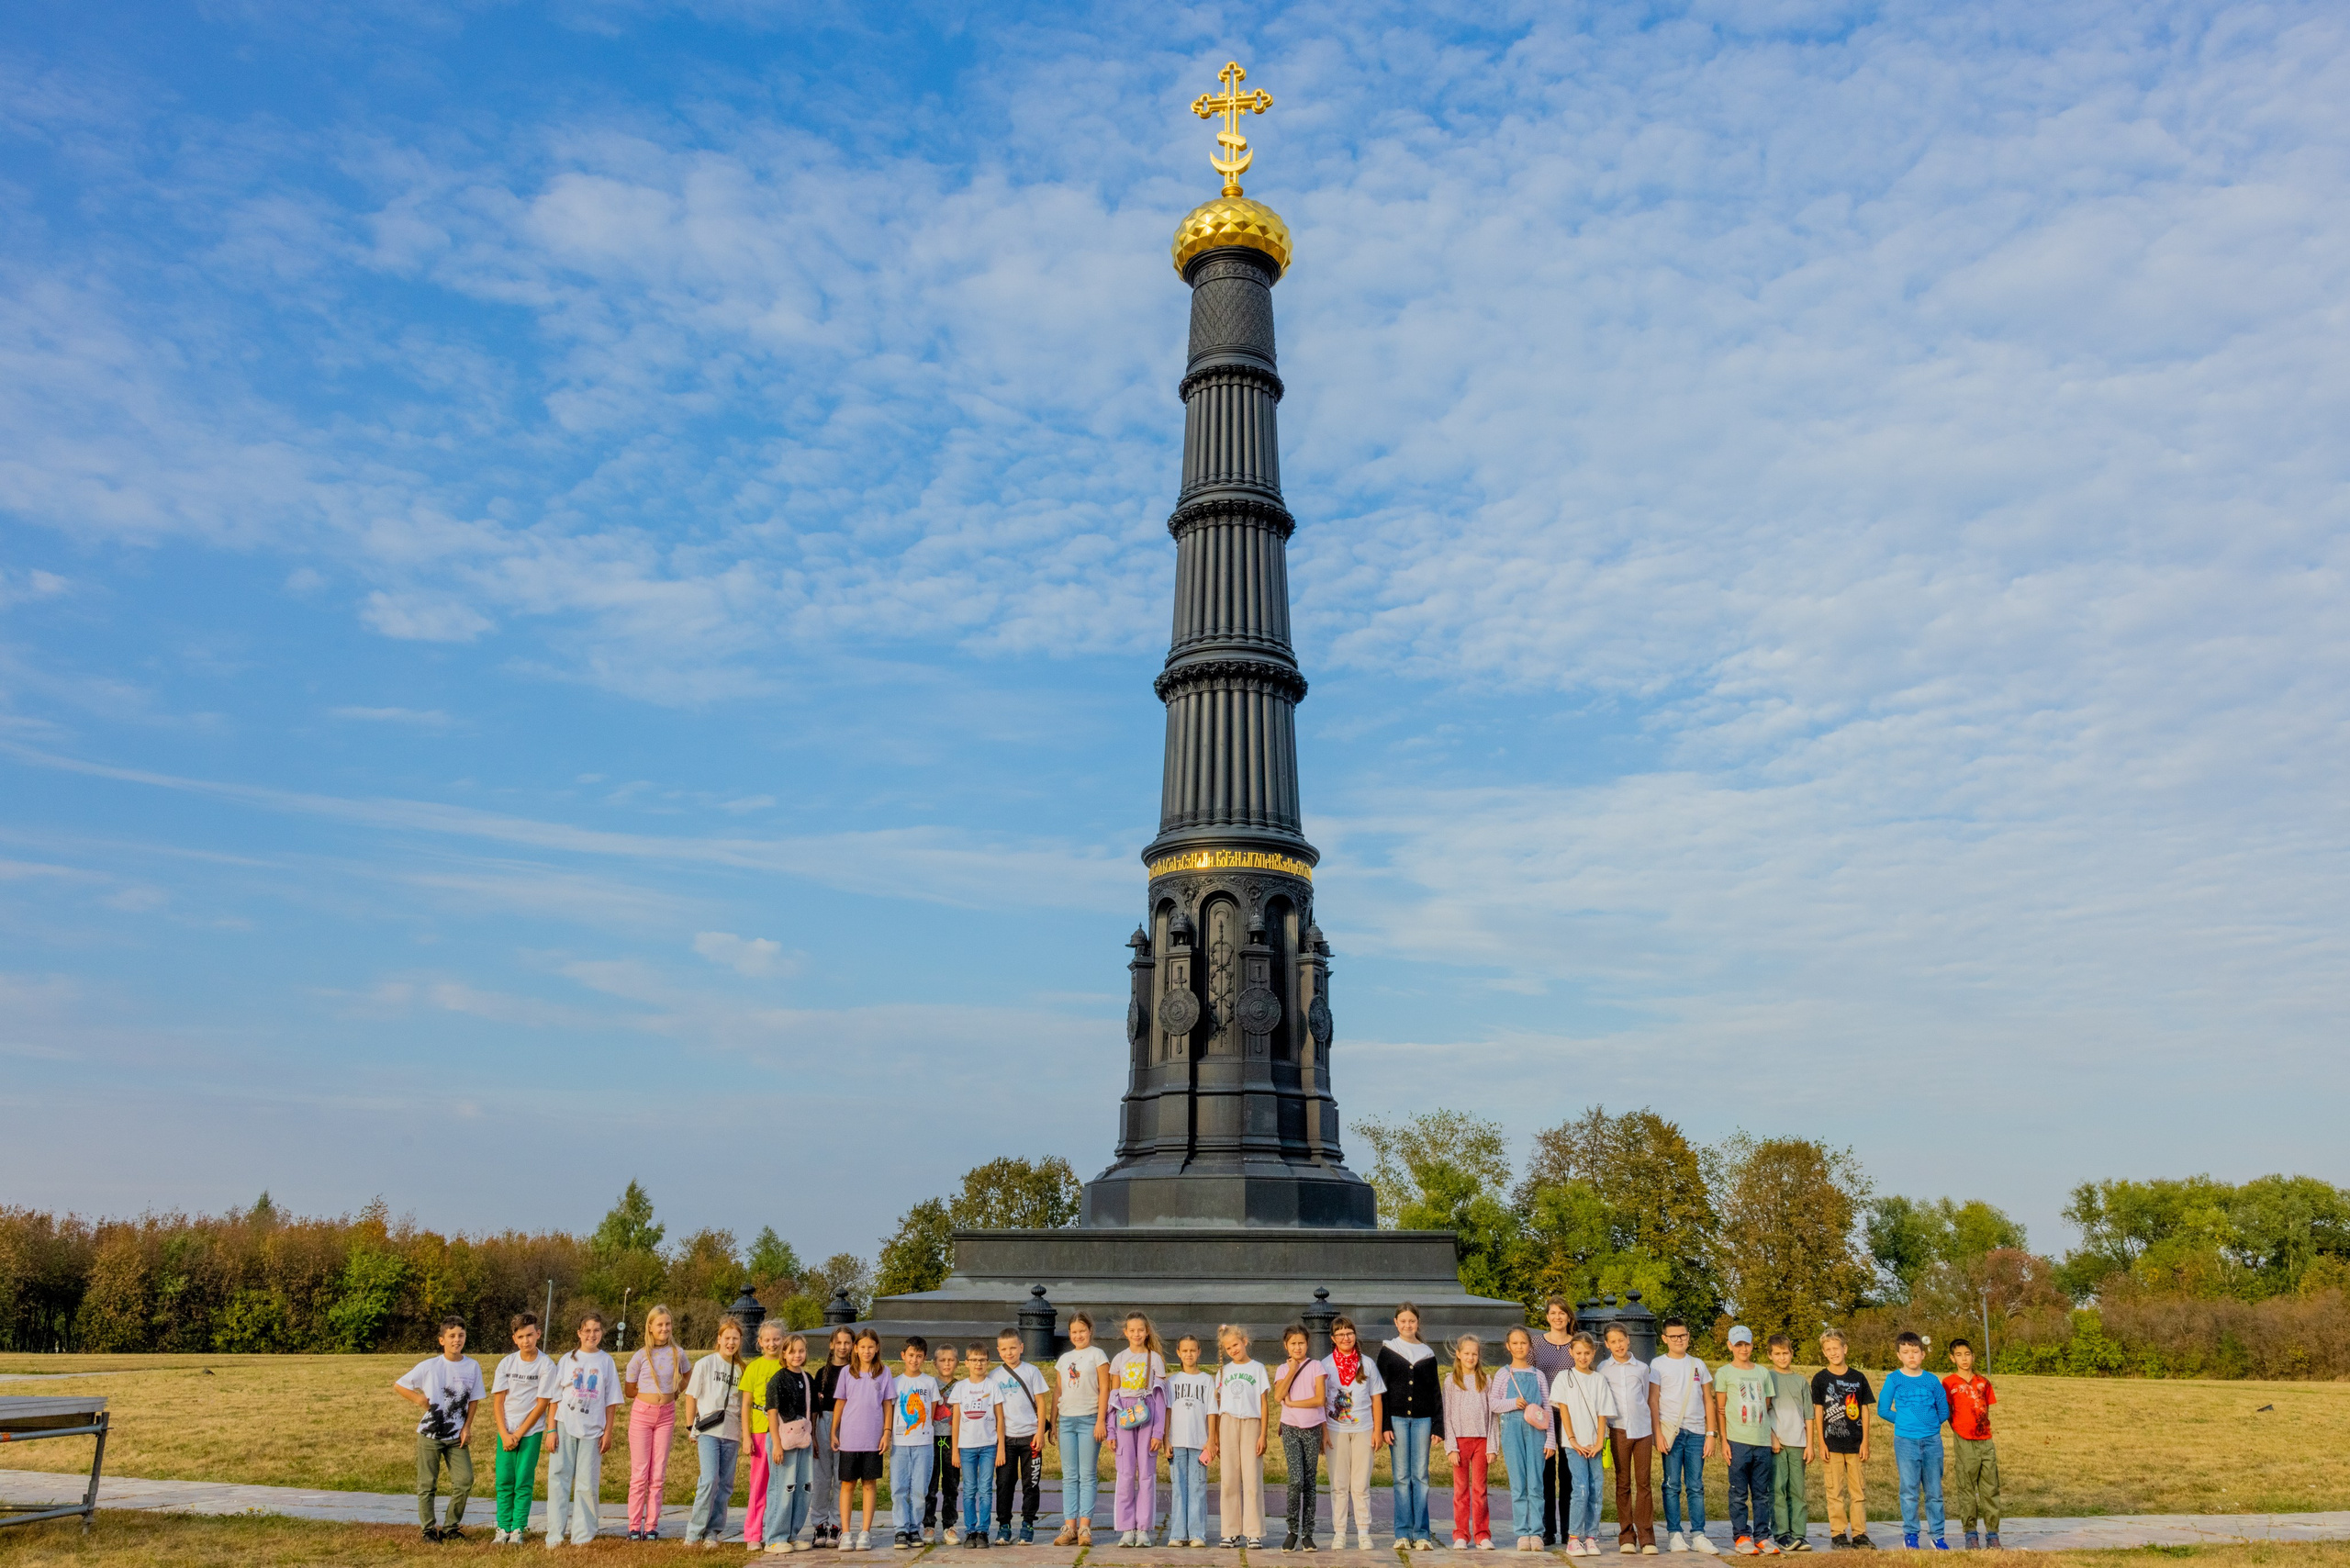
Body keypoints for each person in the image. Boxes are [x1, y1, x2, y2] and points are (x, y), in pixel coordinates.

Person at [395, 1316, 485, 1543]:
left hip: (456, 1436)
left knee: (464, 1481)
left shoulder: (472, 1366)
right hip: (430, 1435)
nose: (457, 1340)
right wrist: (418, 1400)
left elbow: (473, 1399)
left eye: (461, 1335)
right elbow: (400, 1385)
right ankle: (428, 1531)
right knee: (427, 1484)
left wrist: (467, 1427)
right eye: (452, 1336)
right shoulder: (429, 1366)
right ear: (442, 1340)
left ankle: (451, 1527)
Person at [547, 1312, 624, 1548]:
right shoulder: (567, 1360)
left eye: (596, 1330)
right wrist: (551, 1429)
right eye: (587, 1330)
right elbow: (554, 1397)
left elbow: (611, 1401)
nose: (592, 1334)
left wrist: (608, 1431)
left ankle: (582, 1535)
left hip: (593, 1429)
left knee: (587, 1484)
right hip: (565, 1425)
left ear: (602, 1333)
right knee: (559, 1478)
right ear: (579, 1333)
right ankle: (555, 1535)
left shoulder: (606, 1361)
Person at [1874, 1332, 1952, 1551]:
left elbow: (1943, 1409)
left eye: (1915, 1352)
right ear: (1899, 1355)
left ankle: (1938, 1536)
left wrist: (1931, 1424)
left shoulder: (1932, 1380)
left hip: (1932, 1441)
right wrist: (1904, 1421)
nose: (1911, 1356)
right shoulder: (1894, 1379)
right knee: (1909, 1490)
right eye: (1906, 1352)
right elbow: (1882, 1409)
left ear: (1923, 1354)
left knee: (1934, 1491)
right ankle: (1911, 1535)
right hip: (1905, 1441)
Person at [1648, 1316, 1718, 1556]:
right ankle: (1674, 1534)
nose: (1679, 1340)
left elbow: (1709, 1399)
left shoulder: (1698, 1364)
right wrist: (1657, 1434)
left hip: (1697, 1432)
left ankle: (1699, 1534)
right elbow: (1653, 1400)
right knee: (1672, 1484)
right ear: (1665, 1338)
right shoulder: (1657, 1365)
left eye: (1683, 1335)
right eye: (1674, 1336)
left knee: (1696, 1485)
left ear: (1688, 1336)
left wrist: (1711, 1434)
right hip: (1671, 1432)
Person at [1377, 1304, 1444, 1552]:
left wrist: (1438, 1425)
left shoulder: (1427, 1353)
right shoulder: (1388, 1350)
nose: (1408, 1325)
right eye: (1403, 1321)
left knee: (1421, 1477)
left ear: (1418, 1322)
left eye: (1412, 1321)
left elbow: (1435, 1392)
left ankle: (1422, 1533)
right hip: (1396, 1421)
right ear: (1396, 1322)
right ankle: (1403, 1532)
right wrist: (1384, 1425)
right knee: (1402, 1478)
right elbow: (1381, 1391)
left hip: (1423, 1421)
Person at [490, 1312, 556, 1546]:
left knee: (523, 1481)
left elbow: (542, 1403)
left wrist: (519, 1433)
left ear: (538, 1334)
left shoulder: (546, 1365)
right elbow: (498, 1401)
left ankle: (518, 1528)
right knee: (505, 1480)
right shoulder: (506, 1363)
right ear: (514, 1339)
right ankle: (502, 1528)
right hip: (505, 1432)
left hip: (530, 1432)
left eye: (530, 1335)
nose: (526, 1340)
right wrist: (504, 1433)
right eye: (521, 1336)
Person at [1711, 1327, 1778, 1556]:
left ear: (1752, 1345)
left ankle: (1762, 1536)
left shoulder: (1762, 1373)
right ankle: (1741, 1535)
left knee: (1762, 1492)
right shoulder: (1724, 1373)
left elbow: (1766, 1404)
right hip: (1737, 1441)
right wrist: (1724, 1441)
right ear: (1730, 1346)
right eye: (1738, 1345)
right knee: (1739, 1492)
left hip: (1761, 1441)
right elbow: (1720, 1409)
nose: (1743, 1349)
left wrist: (1769, 1435)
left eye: (1747, 1344)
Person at [1323, 1316, 1388, 1551]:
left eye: (1349, 1333)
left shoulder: (1367, 1364)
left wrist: (1377, 1431)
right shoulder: (1326, 1364)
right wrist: (1323, 1433)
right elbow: (1321, 1400)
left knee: (1360, 1484)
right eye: (1340, 1334)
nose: (1345, 1338)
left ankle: (1363, 1531)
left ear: (1355, 1335)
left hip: (1363, 1429)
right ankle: (1339, 1532)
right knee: (1339, 1483)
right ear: (1333, 1339)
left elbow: (1376, 1398)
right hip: (1335, 1430)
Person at [680, 1316, 746, 1547]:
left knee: (726, 1485)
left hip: (732, 1433)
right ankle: (694, 1531)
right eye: (727, 1338)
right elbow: (692, 1396)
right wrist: (691, 1427)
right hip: (709, 1430)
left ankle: (713, 1530)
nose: (731, 1343)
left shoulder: (741, 1368)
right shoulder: (706, 1364)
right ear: (719, 1339)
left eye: (735, 1338)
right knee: (709, 1480)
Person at [624, 1305, 688, 1541]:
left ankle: (651, 1526)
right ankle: (633, 1526)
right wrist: (648, 1396)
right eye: (659, 1324)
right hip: (642, 1414)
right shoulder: (641, 1356)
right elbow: (630, 1389)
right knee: (640, 1473)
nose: (664, 1328)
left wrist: (676, 1391)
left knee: (658, 1474)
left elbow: (687, 1376)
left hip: (667, 1415)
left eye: (668, 1324)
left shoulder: (678, 1353)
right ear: (650, 1327)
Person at [1552, 1332, 1618, 1558]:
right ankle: (1573, 1538)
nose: (1582, 1357)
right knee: (1580, 1489)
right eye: (1578, 1353)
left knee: (1596, 1490)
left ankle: (1591, 1537)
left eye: (1587, 1353)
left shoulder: (1599, 1379)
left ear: (1593, 1353)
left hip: (1595, 1444)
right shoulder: (1564, 1378)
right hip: (1574, 1444)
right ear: (1571, 1352)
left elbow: (1603, 1414)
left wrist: (1599, 1442)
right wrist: (1572, 1440)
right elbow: (1564, 1411)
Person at [1108, 1311, 1169, 1549]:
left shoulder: (1155, 1359)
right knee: (1124, 1474)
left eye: (1140, 1330)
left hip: (1147, 1415)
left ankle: (1143, 1529)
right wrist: (1110, 1430)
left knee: (1146, 1474)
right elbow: (1113, 1397)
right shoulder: (1119, 1359)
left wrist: (1158, 1432)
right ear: (1126, 1333)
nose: (1136, 1334)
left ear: (1147, 1332)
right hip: (1124, 1416)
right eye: (1132, 1330)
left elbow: (1161, 1398)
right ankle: (1126, 1528)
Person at [1493, 1326, 1556, 1553]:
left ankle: (1536, 1533)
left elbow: (1546, 1406)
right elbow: (1493, 1403)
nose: (1520, 1347)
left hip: (1536, 1432)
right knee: (1518, 1483)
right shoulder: (1502, 1374)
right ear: (1508, 1346)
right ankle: (1522, 1532)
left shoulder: (1538, 1375)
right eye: (1515, 1343)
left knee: (1536, 1483)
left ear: (1529, 1345)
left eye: (1523, 1343)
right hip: (1512, 1430)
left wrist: (1550, 1440)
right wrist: (1512, 1403)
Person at [1809, 1331, 1874, 1551]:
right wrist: (1821, 1442)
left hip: (1856, 1444)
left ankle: (1860, 1534)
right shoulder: (1820, 1378)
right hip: (1832, 1444)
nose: (1832, 1353)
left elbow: (1864, 1411)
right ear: (1823, 1353)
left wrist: (1865, 1441)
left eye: (1836, 1348)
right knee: (1834, 1491)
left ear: (1845, 1349)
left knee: (1858, 1492)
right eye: (1828, 1350)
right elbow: (1818, 1411)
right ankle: (1838, 1534)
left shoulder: (1858, 1378)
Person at [1050, 1313, 1110, 1548]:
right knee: (1069, 1476)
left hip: (1089, 1419)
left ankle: (1085, 1526)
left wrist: (1101, 1420)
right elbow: (1058, 1390)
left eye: (1082, 1331)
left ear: (1090, 1331)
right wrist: (1053, 1421)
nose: (1078, 1336)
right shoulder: (1064, 1359)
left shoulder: (1098, 1356)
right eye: (1074, 1332)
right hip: (1067, 1421)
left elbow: (1105, 1388)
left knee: (1087, 1475)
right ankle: (1069, 1527)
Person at [1599, 1322, 1659, 1556]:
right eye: (1613, 1342)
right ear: (1607, 1344)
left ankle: (1647, 1537)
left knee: (1643, 1483)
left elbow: (1644, 1397)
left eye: (1621, 1340)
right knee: (1623, 1483)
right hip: (1618, 1430)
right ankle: (1626, 1536)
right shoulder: (1604, 1368)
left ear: (1628, 1340)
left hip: (1642, 1431)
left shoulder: (1642, 1368)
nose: (1618, 1345)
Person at [1208, 1325, 1270, 1550]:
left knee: (1252, 1478)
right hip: (1228, 1423)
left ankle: (1254, 1532)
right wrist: (1214, 1437)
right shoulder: (1223, 1372)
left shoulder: (1258, 1368)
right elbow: (1216, 1405)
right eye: (1228, 1347)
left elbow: (1263, 1403)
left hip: (1251, 1423)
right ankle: (1231, 1531)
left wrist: (1263, 1433)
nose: (1233, 1349)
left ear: (1245, 1341)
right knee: (1229, 1480)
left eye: (1235, 1344)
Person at [833, 1327, 893, 1551]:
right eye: (863, 1347)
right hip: (850, 1438)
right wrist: (834, 1431)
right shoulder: (847, 1372)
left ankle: (865, 1532)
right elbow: (840, 1402)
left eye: (871, 1347)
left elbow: (888, 1404)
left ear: (877, 1348)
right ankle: (846, 1533)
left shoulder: (884, 1372)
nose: (867, 1351)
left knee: (869, 1484)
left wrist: (886, 1432)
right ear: (855, 1349)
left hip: (873, 1439)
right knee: (847, 1484)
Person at [990, 1328, 1050, 1544]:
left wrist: (1040, 1432)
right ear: (998, 1351)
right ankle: (1004, 1525)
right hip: (1006, 1440)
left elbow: (1041, 1402)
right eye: (1004, 1349)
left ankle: (1028, 1524)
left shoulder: (1032, 1371)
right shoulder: (994, 1376)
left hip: (1030, 1438)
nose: (1009, 1352)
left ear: (1022, 1348)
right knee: (1004, 1484)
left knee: (1031, 1483)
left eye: (1013, 1348)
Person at [1274, 1322, 1328, 1552]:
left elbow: (1319, 1399)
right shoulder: (1282, 1369)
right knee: (1295, 1480)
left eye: (1302, 1343)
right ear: (1286, 1346)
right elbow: (1278, 1395)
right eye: (1293, 1344)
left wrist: (1295, 1403)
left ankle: (1308, 1533)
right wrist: (1293, 1370)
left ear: (1308, 1344)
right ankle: (1291, 1530)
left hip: (1312, 1427)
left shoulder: (1316, 1366)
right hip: (1291, 1428)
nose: (1298, 1348)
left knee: (1310, 1482)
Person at [1442, 1333, 1498, 1551]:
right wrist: (1451, 1447)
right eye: (1466, 1353)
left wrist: (1492, 1446)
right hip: (1460, 1442)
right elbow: (1447, 1415)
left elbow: (1493, 1416)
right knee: (1461, 1490)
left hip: (1482, 1441)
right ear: (1458, 1354)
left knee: (1480, 1490)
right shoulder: (1451, 1381)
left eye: (1474, 1353)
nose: (1470, 1357)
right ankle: (1461, 1534)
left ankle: (1482, 1534)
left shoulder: (1486, 1380)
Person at [1942, 1339, 2000, 1551]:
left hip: (1985, 1440)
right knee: (1967, 1488)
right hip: (1964, 1440)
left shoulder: (1983, 1382)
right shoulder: (1949, 1383)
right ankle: (1971, 1533)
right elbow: (1946, 1411)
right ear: (1952, 1358)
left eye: (1967, 1354)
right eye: (1959, 1355)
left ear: (1973, 1356)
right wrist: (1958, 1429)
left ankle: (1993, 1534)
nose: (1964, 1359)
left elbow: (1986, 1410)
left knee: (1990, 1487)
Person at [1532, 1300, 1580, 1550]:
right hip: (1544, 1414)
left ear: (1568, 1316)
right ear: (1547, 1316)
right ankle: (1548, 1529)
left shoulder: (1577, 1343)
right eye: (1553, 1313)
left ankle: (1569, 1530)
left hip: (1571, 1415)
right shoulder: (1537, 1344)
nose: (1557, 1317)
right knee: (1547, 1473)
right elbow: (1528, 1374)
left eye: (1562, 1313)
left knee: (1569, 1474)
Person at [767, 1333, 821, 1553]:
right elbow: (772, 1413)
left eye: (801, 1351)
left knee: (803, 1487)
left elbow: (813, 1412)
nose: (797, 1355)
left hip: (804, 1439)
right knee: (784, 1487)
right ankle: (774, 1536)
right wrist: (777, 1444)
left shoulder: (808, 1379)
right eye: (792, 1351)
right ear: (784, 1354)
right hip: (784, 1440)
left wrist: (814, 1439)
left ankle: (792, 1534)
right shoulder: (778, 1379)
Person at [951, 1341, 1007, 1549]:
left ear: (988, 1362)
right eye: (974, 1360)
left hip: (988, 1446)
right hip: (966, 1447)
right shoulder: (960, 1387)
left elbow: (1000, 1419)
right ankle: (970, 1530)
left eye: (982, 1360)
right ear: (966, 1363)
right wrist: (955, 1450)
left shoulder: (992, 1386)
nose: (978, 1364)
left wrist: (1000, 1447)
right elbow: (955, 1421)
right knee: (969, 1489)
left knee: (985, 1489)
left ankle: (983, 1531)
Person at [888, 1338, 941, 1549]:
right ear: (903, 1355)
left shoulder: (929, 1383)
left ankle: (913, 1527)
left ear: (925, 1358)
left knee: (919, 1488)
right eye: (911, 1355)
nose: (914, 1359)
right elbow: (889, 1410)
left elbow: (933, 1409)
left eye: (919, 1356)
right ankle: (900, 1528)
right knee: (899, 1487)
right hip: (900, 1443)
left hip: (923, 1442)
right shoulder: (895, 1383)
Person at [1166, 1334, 1218, 1549]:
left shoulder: (1206, 1380)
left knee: (1197, 1487)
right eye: (1184, 1350)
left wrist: (1211, 1440)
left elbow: (1211, 1412)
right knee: (1179, 1487)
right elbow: (1167, 1411)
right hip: (1176, 1441)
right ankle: (1178, 1533)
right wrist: (1165, 1438)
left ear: (1199, 1352)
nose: (1189, 1354)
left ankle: (1197, 1533)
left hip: (1199, 1442)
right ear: (1178, 1353)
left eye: (1192, 1350)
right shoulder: (1172, 1381)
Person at [743, 1321, 789, 1552]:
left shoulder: (788, 1366)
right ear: (760, 1343)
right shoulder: (754, 1368)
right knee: (759, 1484)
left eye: (777, 1339)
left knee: (782, 1485)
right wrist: (746, 1436)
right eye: (767, 1340)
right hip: (760, 1430)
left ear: (784, 1340)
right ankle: (753, 1533)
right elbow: (746, 1404)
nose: (772, 1344)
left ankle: (777, 1530)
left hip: (784, 1432)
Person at [1764, 1335, 1811, 1553]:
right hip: (1778, 1443)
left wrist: (1810, 1444)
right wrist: (1772, 1436)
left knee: (1797, 1490)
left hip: (1798, 1442)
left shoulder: (1801, 1381)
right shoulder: (1768, 1377)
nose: (1782, 1357)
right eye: (1777, 1353)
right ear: (1770, 1355)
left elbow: (1809, 1415)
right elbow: (1763, 1411)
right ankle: (1782, 1533)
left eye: (1786, 1353)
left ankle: (1799, 1534)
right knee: (1778, 1489)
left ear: (1792, 1354)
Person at [812, 1326, 856, 1548]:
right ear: (831, 1344)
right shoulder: (822, 1373)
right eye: (838, 1342)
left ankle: (838, 1525)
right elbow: (814, 1407)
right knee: (821, 1477)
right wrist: (813, 1434)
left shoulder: (856, 1371)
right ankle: (820, 1524)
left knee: (842, 1477)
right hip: (823, 1422)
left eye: (847, 1343)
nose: (842, 1347)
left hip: (848, 1425)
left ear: (853, 1346)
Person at [928, 1344, 963, 1543]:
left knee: (951, 1484)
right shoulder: (930, 1384)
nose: (947, 1364)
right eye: (942, 1360)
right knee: (930, 1485)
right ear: (935, 1363)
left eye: (951, 1360)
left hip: (952, 1440)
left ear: (957, 1362)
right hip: (931, 1439)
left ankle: (949, 1525)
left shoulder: (962, 1386)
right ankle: (928, 1525)